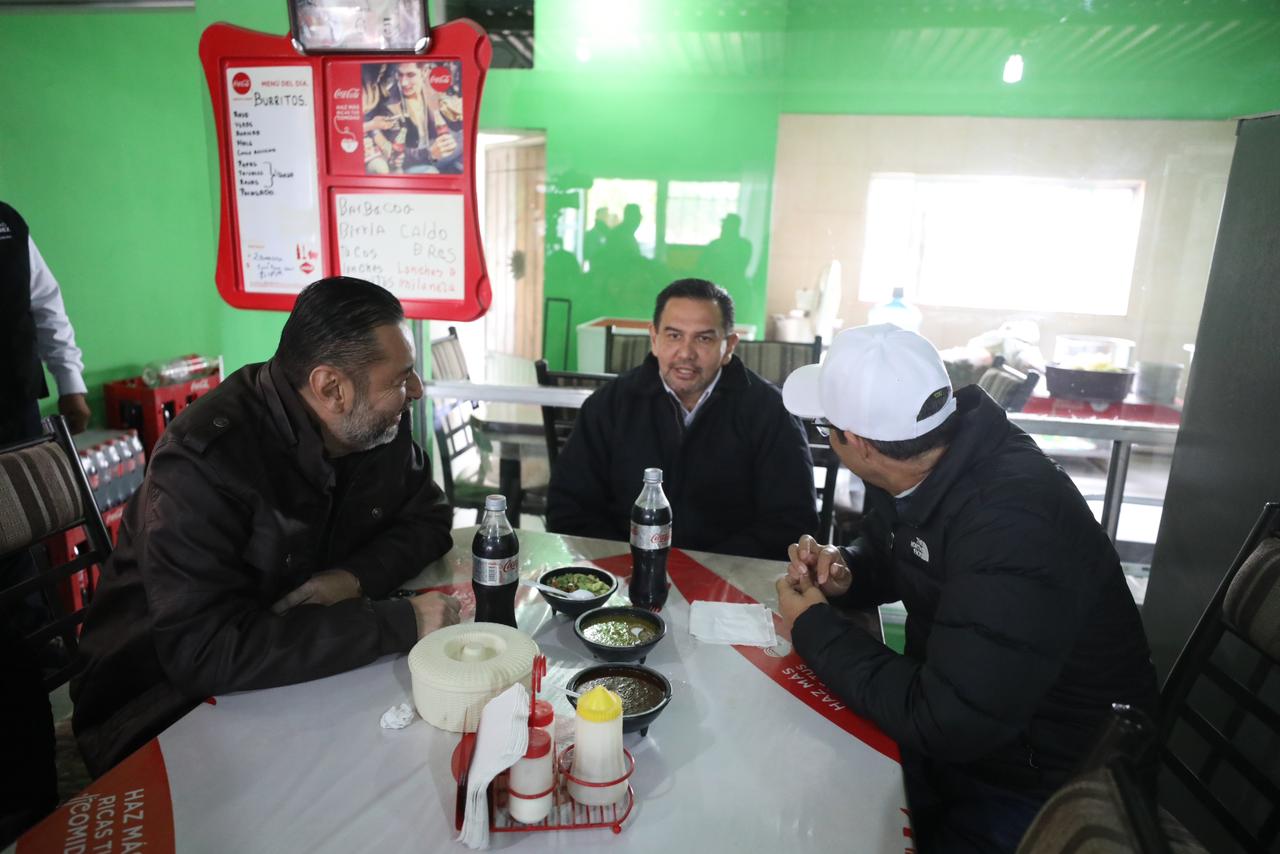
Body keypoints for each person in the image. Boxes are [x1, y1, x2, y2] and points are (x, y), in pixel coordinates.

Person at [774, 324, 1158, 853]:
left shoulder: (1012, 522)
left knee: (816, 815)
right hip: (979, 739)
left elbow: (946, 719)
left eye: (827, 427)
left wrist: (812, 625)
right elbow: (897, 551)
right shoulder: (931, 460)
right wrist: (846, 571)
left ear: (857, 443)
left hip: (1047, 782)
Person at [71, 277, 460, 777]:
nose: (417, 391)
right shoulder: (203, 465)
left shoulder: (372, 423)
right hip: (162, 706)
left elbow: (429, 516)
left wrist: (355, 579)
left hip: (298, 675)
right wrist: (401, 622)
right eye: (402, 377)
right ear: (331, 388)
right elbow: (204, 652)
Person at [547, 278, 818, 559]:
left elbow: (792, 523)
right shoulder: (608, 406)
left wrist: (703, 572)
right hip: (623, 580)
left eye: (704, 338)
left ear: (729, 346)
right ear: (654, 339)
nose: (686, 353)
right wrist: (630, 567)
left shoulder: (770, 412)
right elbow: (568, 509)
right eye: (674, 335)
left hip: (730, 587)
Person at [0, 201, 91, 846]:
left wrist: (73, 380)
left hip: (12, 415)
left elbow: (46, 306)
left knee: (20, 570)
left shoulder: (8, 224)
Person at [364, 62, 462, 175]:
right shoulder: (390, 103)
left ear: (424, 72)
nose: (403, 82)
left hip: (437, 155)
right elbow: (398, 154)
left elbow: (451, 124)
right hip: (410, 163)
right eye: (400, 75)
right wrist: (429, 153)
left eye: (410, 75)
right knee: (430, 172)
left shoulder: (432, 90)